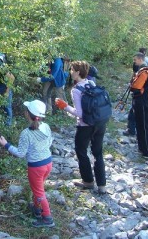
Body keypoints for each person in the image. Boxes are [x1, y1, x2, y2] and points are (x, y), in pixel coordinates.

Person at [0, 100, 54, 228]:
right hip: (48, 162)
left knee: (39, 192)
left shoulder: (26, 133)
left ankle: (47, 218)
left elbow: (21, 153)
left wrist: (6, 144)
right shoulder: (46, 126)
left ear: (27, 114)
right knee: (38, 188)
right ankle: (37, 209)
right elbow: (49, 143)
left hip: (36, 167)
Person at [54, 60, 107, 194]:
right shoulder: (91, 83)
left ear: (77, 72)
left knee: (81, 151)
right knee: (97, 153)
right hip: (100, 123)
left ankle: (88, 181)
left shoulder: (76, 90)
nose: (70, 72)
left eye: (72, 70)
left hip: (85, 126)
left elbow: (79, 114)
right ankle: (102, 186)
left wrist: (64, 106)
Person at [123, 52, 147, 136]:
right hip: (143, 96)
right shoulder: (146, 69)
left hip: (139, 95)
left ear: (140, 59)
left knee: (133, 114)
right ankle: (137, 131)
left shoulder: (142, 70)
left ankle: (131, 130)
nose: (134, 61)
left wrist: (132, 85)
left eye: (135, 60)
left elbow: (138, 84)